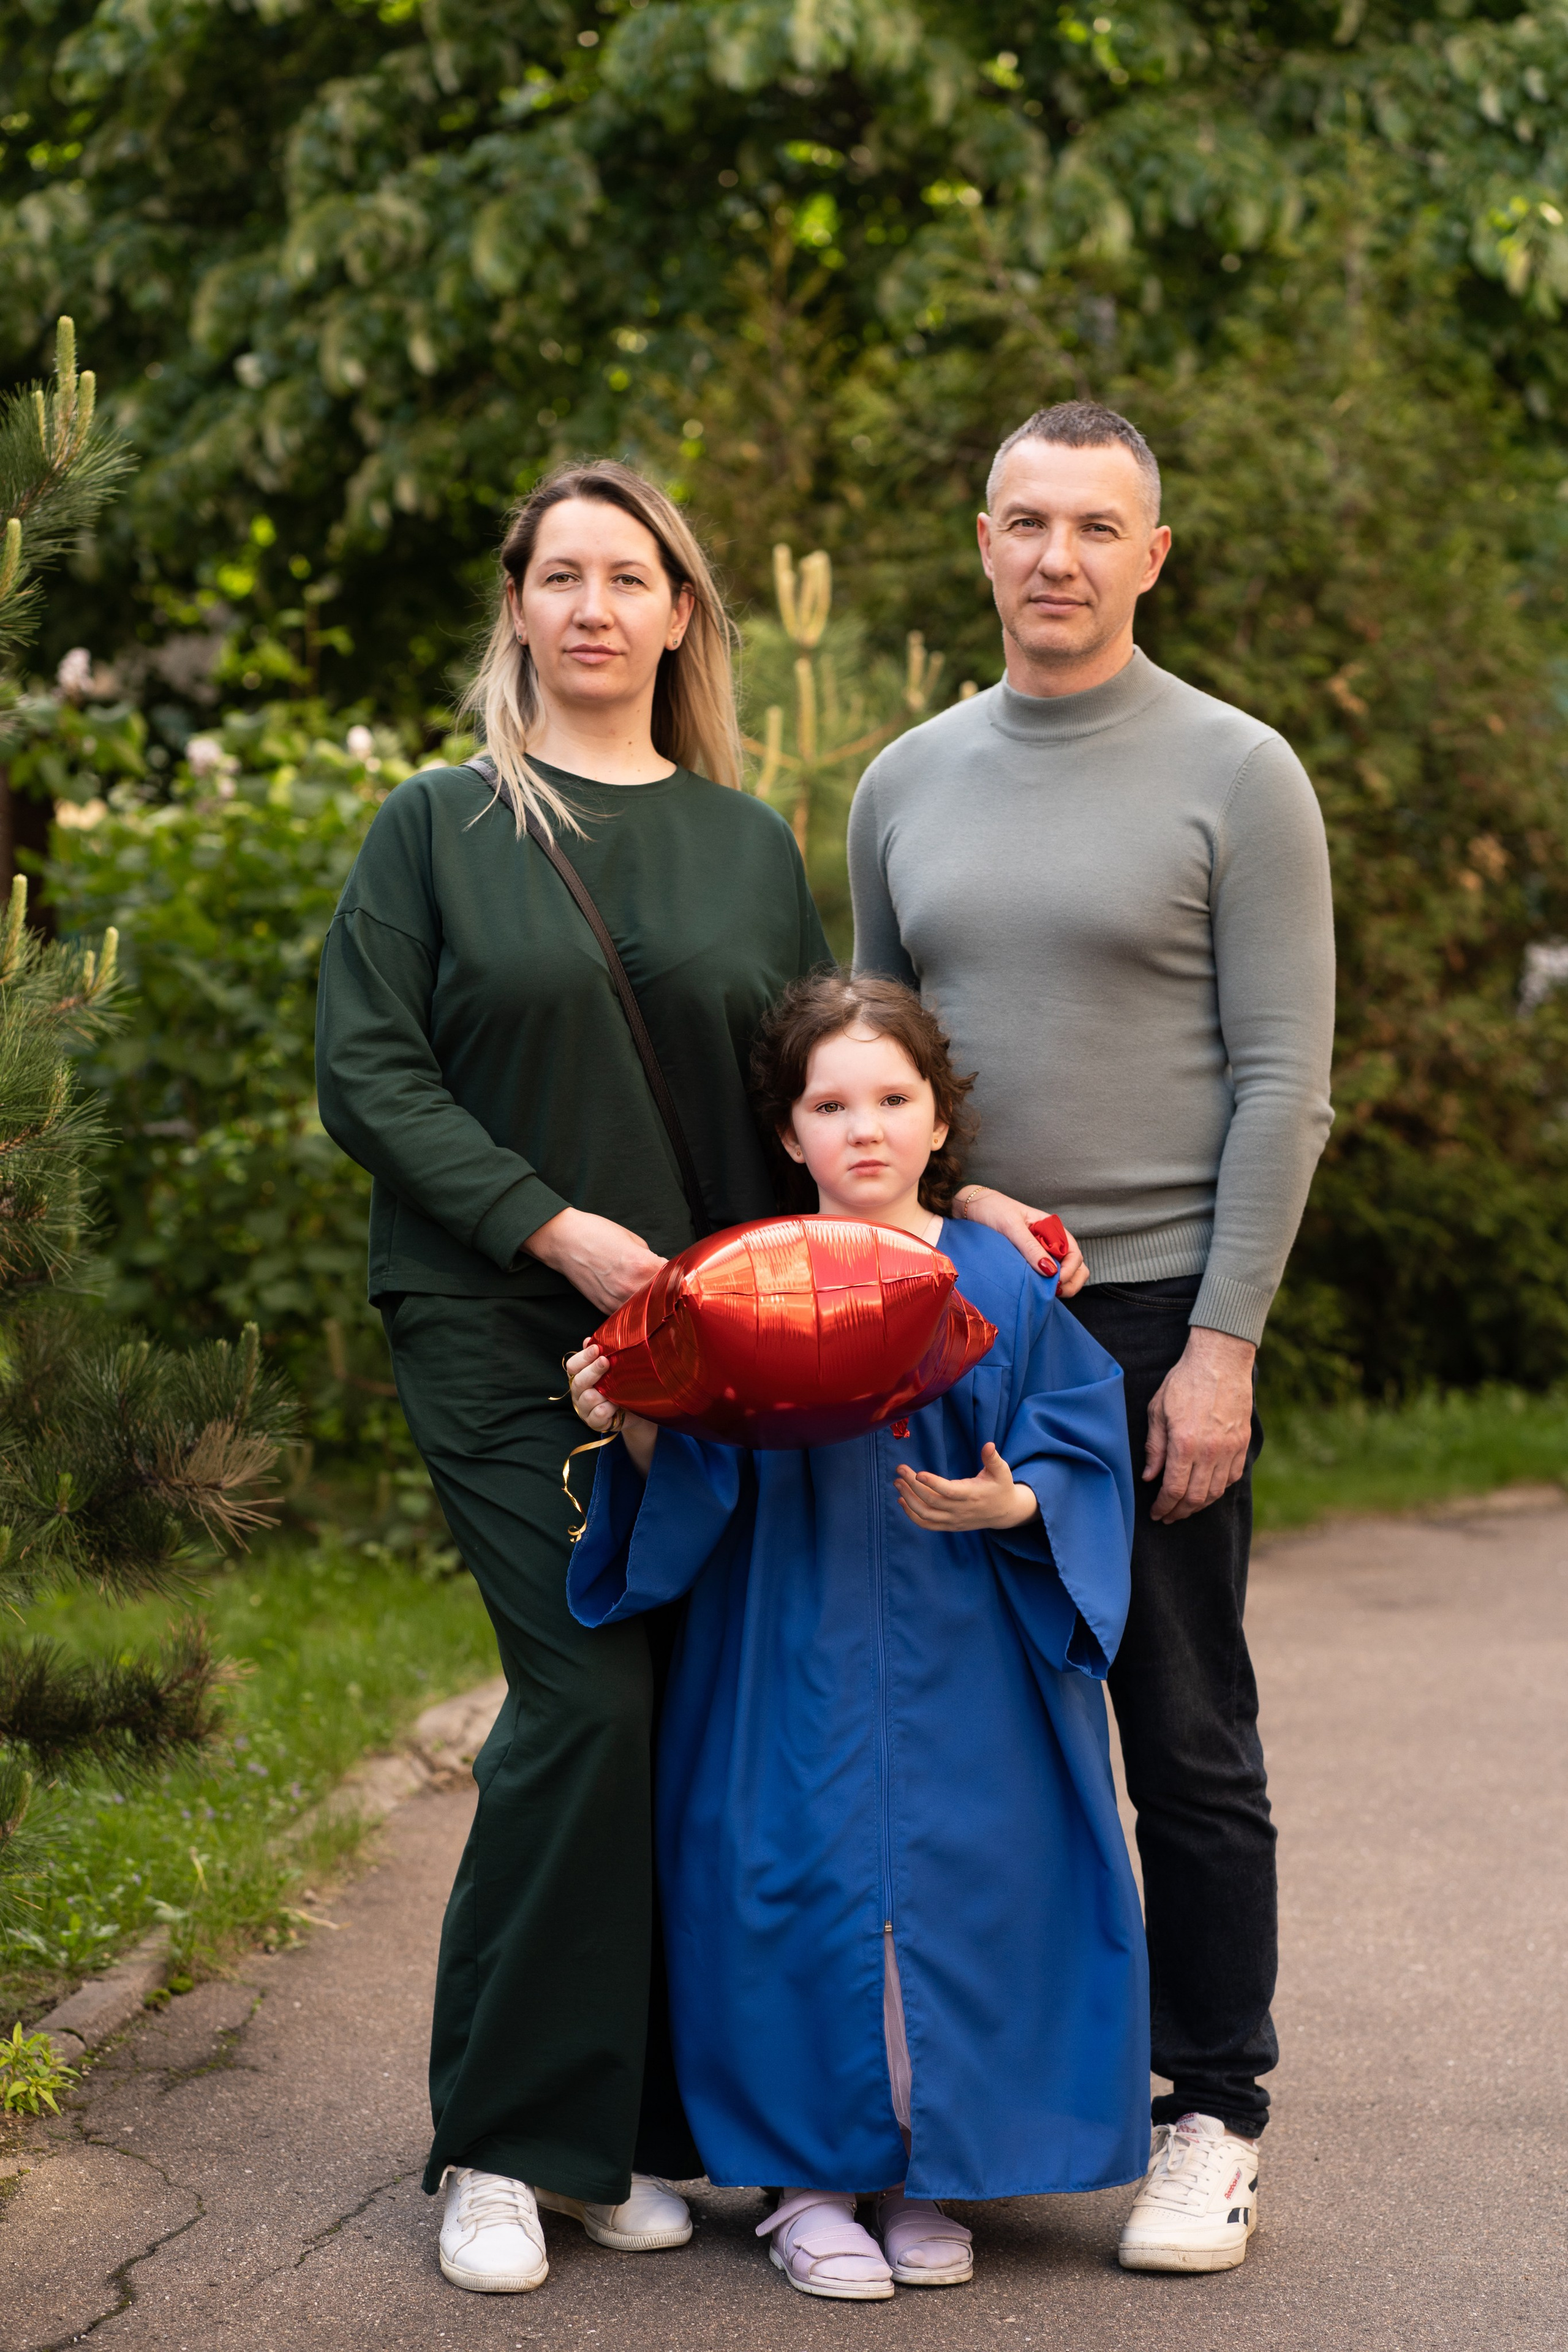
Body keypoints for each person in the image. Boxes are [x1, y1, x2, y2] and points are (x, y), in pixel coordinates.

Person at [314, 461, 830, 2296]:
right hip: (500, 1326)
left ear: (683, 613)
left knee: (687, 1723)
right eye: (562, 576)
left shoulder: (751, 844)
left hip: (700, 1355)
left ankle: (630, 2131)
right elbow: (368, 1079)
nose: (596, 606)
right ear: (518, 608)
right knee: (587, 1704)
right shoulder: (438, 825)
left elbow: (804, 1097)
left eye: (633, 577)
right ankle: (500, 2146)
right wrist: (557, 1233)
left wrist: (910, 1232)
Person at [846, 401, 1335, 2273]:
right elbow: (878, 1069)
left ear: (1154, 555)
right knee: (970, 1733)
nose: (1058, 558)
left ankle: (1214, 2108)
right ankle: (973, 2104)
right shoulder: (905, 782)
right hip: (954, 1315)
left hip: (1148, 1324)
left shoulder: (1240, 772)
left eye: (1097, 527)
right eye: (1027, 522)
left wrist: (1221, 1346)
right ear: (982, 541)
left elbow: (1285, 1082)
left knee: (1182, 1724)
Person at [565, 971, 1148, 2303]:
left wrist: (1014, 1499)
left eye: (893, 1099)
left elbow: (1076, 1438)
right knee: (789, 1883)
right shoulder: (742, 1281)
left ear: (941, 1120)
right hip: (789, 1634)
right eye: (830, 1104)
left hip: (972, 1645)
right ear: (789, 1132)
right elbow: (698, 1467)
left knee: (975, 1880)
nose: (864, 1129)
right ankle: (810, 2186)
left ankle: (933, 2179)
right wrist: (629, 1415)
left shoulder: (998, 1271)